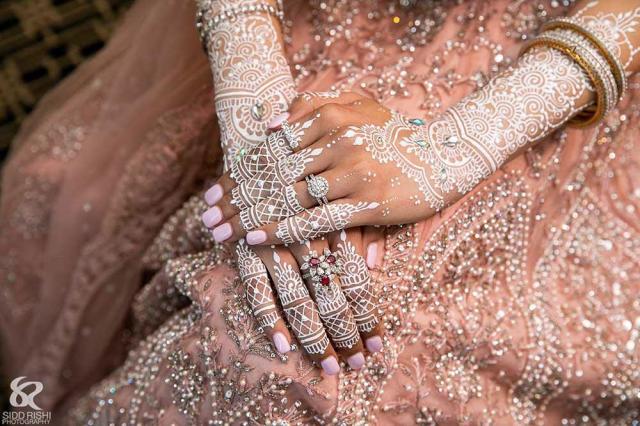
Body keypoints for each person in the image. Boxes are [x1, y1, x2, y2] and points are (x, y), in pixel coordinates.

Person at [1, 0, 639, 423]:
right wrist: (255, 111)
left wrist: (461, 145)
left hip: (566, 57)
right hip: (305, 25)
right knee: (259, 307)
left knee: (326, 335)